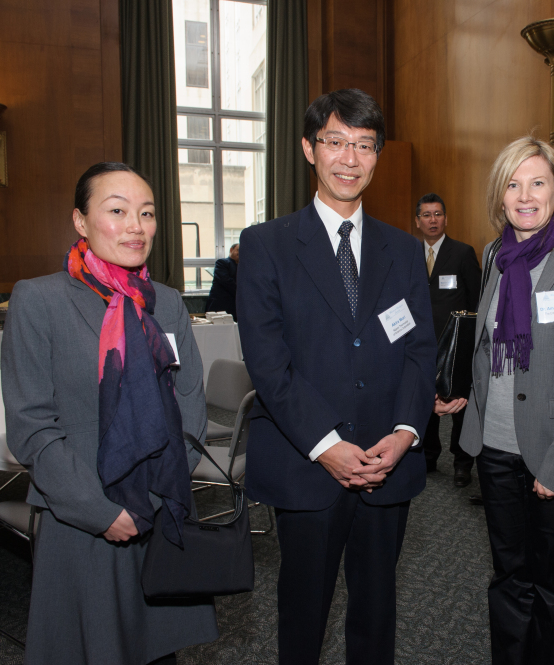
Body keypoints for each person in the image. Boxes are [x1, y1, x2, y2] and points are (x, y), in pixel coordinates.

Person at [236, 89, 436, 665]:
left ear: (377, 156)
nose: (350, 158)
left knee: (376, 614)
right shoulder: (266, 245)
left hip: (385, 464)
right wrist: (327, 446)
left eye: (364, 146)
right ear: (308, 149)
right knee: (303, 615)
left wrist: (403, 435)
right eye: (336, 142)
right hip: (307, 466)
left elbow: (420, 352)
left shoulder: (404, 250)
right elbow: (269, 365)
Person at [1, 162, 218, 665]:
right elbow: (32, 427)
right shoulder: (40, 301)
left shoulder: (165, 303)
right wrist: (102, 513)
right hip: (84, 524)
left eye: (146, 213)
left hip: (161, 512)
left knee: (159, 651)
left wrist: (165, 490)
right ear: (81, 221)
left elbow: (191, 406)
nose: (135, 226)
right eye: (117, 211)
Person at [458, 136, 554, 664]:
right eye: (513, 183)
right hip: (495, 446)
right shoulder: (493, 257)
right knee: (508, 577)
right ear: (500, 196)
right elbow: (484, 345)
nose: (525, 195)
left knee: (553, 584)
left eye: (538, 183)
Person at [415, 192, 481, 486]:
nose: (433, 220)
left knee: (458, 405)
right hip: (420, 342)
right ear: (418, 221)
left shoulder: (462, 252)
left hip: (455, 344)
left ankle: (462, 462)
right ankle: (428, 456)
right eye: (427, 215)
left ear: (446, 219)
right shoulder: (408, 253)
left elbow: (477, 297)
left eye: (438, 214)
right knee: (423, 399)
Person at [205, 242, 239, 318]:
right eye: (238, 250)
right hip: (220, 306)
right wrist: (242, 291)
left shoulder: (244, 267)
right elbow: (225, 280)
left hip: (236, 308)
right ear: (231, 250)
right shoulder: (222, 263)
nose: (240, 253)